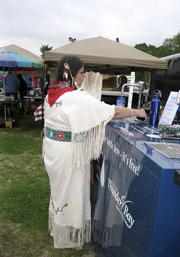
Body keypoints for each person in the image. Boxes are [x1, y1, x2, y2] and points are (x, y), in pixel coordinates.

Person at [43, 55, 147, 249]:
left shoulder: (53, 92)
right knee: (71, 192)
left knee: (59, 192)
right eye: (82, 72)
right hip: (68, 154)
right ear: (72, 73)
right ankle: (69, 235)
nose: (84, 77)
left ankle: (59, 228)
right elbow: (111, 112)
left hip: (53, 150)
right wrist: (137, 112)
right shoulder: (74, 96)